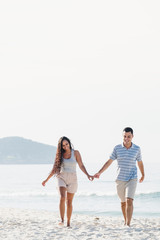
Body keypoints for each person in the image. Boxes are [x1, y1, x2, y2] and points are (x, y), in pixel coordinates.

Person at [94, 127, 145, 227]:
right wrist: (99, 172)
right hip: (120, 179)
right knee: (123, 203)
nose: (126, 138)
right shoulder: (117, 148)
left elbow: (140, 162)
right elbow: (109, 162)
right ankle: (126, 220)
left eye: (128, 136)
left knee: (129, 200)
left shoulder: (137, 149)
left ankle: (128, 224)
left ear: (132, 136)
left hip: (132, 178)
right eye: (125, 136)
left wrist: (143, 174)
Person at [42, 136, 93, 227]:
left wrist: (88, 175)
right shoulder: (59, 155)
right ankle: (62, 220)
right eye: (63, 145)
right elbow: (55, 168)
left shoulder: (76, 153)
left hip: (73, 179)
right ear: (61, 147)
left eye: (66, 144)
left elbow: (81, 165)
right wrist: (46, 179)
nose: (65, 146)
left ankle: (68, 223)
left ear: (69, 143)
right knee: (62, 197)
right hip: (61, 177)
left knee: (69, 202)